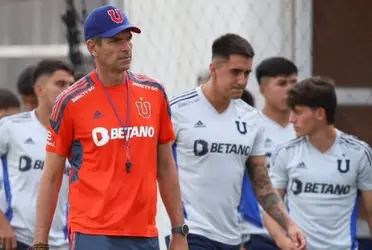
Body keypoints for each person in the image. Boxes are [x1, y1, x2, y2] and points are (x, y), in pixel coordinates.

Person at [31, 5, 187, 250]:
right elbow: (51, 177)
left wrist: (179, 231)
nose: (126, 47)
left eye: (128, 39)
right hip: (93, 233)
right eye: (115, 41)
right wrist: (40, 242)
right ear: (93, 47)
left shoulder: (154, 93)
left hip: (145, 232)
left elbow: (166, 166)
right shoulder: (70, 101)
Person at [169, 33, 305, 250]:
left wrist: (289, 225)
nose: (242, 80)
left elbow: (262, 185)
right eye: (235, 72)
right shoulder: (177, 109)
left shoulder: (251, 119)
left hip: (231, 237)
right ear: (214, 68)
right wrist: (177, 231)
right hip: (191, 232)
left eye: (247, 73)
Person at [264, 76, 372, 250]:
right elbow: (271, 206)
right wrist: (282, 242)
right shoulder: (285, 153)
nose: (291, 119)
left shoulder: (359, 153)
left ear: (320, 114)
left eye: (298, 112)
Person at [0, 59, 74, 250]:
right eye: (60, 84)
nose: (68, 90)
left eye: (71, 85)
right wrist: (1, 223)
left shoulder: (79, 136)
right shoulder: (11, 128)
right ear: (39, 90)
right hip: (17, 239)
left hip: (62, 243)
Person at [240, 57, 298, 250]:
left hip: (300, 231)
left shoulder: (306, 130)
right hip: (256, 233)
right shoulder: (248, 127)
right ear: (263, 88)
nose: (290, 89)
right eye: (282, 83)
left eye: (293, 83)